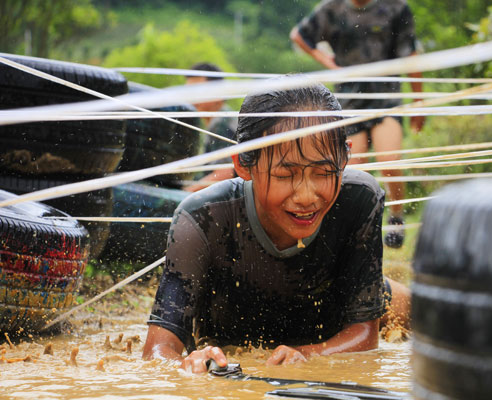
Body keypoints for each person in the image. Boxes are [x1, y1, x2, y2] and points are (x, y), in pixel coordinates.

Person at [142, 83, 410, 373]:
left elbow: (365, 335)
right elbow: (157, 350)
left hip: (338, 305)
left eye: (323, 172)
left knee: (430, 317)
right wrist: (185, 364)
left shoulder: (359, 197)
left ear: (345, 158)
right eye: (284, 175)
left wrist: (308, 355)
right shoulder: (203, 218)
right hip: (239, 328)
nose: (307, 196)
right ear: (243, 164)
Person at [290, 0, 425, 248]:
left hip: (387, 99)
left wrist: (419, 100)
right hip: (350, 101)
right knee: (353, 172)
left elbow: (411, 56)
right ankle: (356, 230)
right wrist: (328, 63)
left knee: (390, 161)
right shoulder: (331, 9)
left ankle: (396, 218)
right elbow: (299, 35)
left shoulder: (396, 8)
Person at [184, 63, 237, 192]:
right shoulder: (219, 119)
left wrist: (186, 193)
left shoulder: (221, 122)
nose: (191, 99)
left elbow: (227, 172)